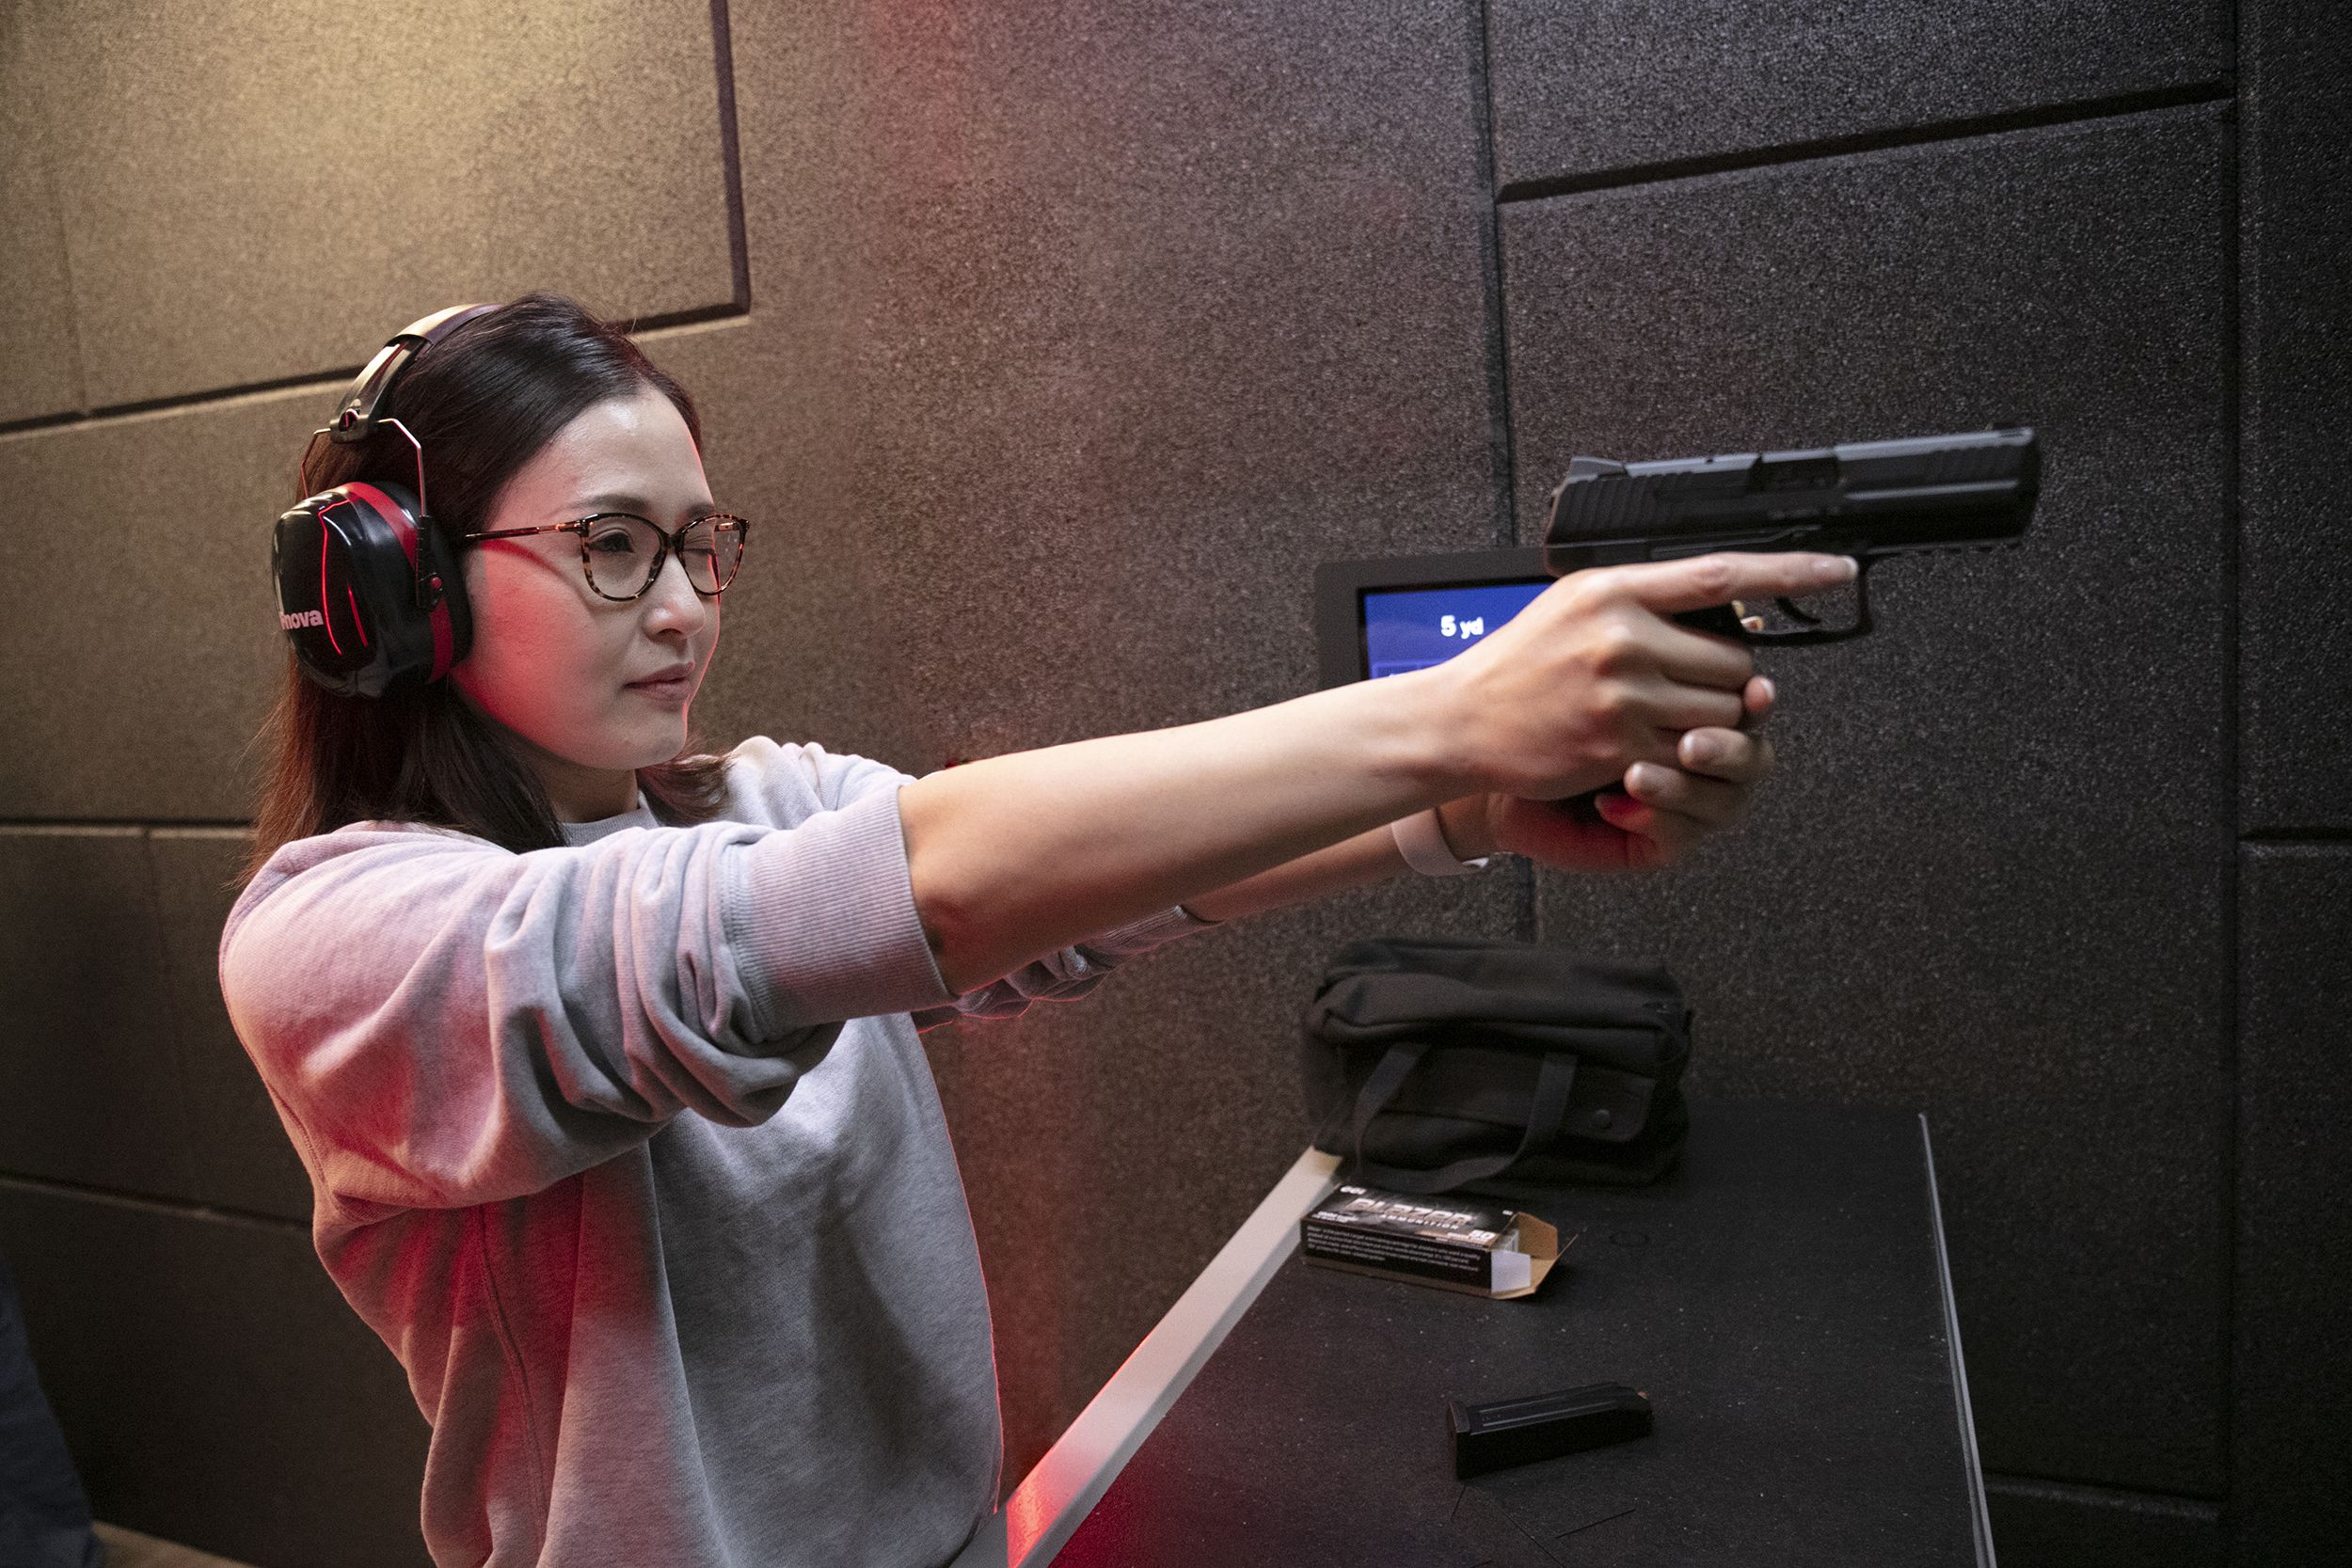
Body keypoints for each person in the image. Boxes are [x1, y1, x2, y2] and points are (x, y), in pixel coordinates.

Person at [218, 293, 1851, 1567]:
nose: (686, 605)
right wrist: (1450, 717)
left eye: (700, 546)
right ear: (400, 588)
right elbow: (833, 916)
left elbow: (1049, 907)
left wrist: (1470, 807)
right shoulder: (335, 938)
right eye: (612, 546)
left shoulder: (760, 800)